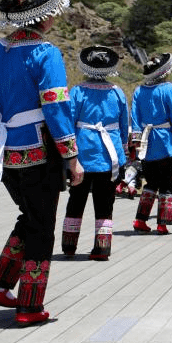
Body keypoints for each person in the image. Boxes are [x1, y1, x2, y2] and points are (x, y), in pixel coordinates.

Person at [0, 0, 83, 326]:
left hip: (2, 152)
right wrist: (71, 156)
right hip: (39, 150)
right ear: (45, 17)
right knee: (41, 228)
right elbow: (56, 107)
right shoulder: (45, 54)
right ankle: (29, 305)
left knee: (30, 218)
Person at [60, 46, 129, 261]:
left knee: (76, 199)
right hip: (110, 156)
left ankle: (69, 245)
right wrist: (124, 149)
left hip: (82, 154)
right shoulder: (117, 92)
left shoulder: (78, 91)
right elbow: (123, 125)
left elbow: (68, 123)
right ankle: (102, 248)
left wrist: (66, 154)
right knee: (105, 200)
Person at [130, 53, 172, 235]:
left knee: (150, 181)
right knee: (167, 182)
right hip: (165, 139)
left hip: (146, 141)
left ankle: (140, 220)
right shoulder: (169, 89)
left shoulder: (139, 90)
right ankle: (163, 223)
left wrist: (137, 141)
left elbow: (135, 118)